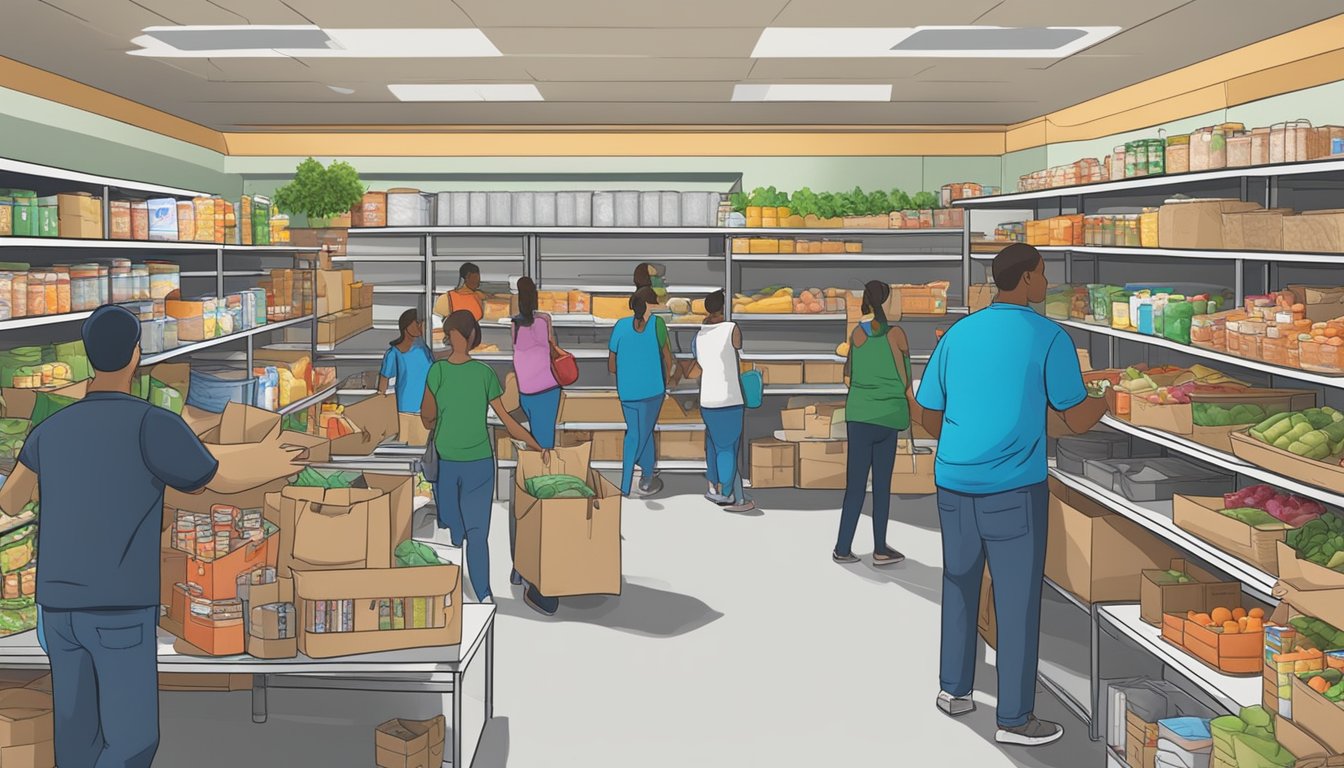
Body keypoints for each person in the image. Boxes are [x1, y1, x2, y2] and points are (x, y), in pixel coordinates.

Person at [0, 306, 256, 768]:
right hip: (116, 605)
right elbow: (206, 479)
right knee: (132, 741)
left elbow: (11, 500)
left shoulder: (50, 429)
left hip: (56, 610)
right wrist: (270, 460)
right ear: (137, 355)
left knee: (76, 739)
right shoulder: (151, 423)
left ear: (88, 356)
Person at [915, 243, 1113, 747]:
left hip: (954, 483)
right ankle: (1015, 719)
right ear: (1025, 280)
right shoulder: (1048, 336)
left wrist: (971, 442)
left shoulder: (958, 334)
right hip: (1015, 489)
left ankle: (954, 690)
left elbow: (928, 413)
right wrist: (1108, 399)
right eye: (1043, 274)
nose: (1047, 283)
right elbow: (1073, 417)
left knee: (959, 581)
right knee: (1016, 598)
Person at [422, 310, 543, 608]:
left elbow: (426, 418)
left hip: (448, 463)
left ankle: (451, 590)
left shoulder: (437, 372)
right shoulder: (485, 373)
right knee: (478, 533)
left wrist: (442, 417)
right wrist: (534, 444)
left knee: (453, 528)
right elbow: (507, 420)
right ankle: (483, 592)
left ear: (451, 338)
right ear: (473, 337)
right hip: (479, 463)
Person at [833, 281, 917, 567]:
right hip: (889, 417)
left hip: (859, 416)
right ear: (888, 302)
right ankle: (880, 549)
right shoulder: (898, 335)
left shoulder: (857, 334)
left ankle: (842, 548)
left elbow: (847, 378)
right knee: (882, 486)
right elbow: (906, 382)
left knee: (854, 485)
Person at [506, 277, 563, 615]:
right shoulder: (544, 321)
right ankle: (533, 563)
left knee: (530, 459)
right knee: (545, 459)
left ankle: (519, 566)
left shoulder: (514, 326)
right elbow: (553, 348)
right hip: (547, 390)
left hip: (526, 392)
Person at [608, 287, 679, 497]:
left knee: (639, 432)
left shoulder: (620, 325)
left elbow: (612, 366)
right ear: (650, 304)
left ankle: (645, 476)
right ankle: (627, 482)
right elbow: (668, 358)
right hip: (652, 391)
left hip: (627, 392)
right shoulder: (658, 324)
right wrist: (666, 380)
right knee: (639, 434)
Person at [688, 290, 754, 513]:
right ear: (724, 308)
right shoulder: (731, 329)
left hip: (708, 400)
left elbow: (696, 368)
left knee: (715, 446)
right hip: (729, 399)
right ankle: (727, 495)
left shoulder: (699, 336)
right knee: (727, 448)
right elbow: (739, 348)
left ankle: (716, 488)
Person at [379, 308, 434, 446]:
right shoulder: (393, 354)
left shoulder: (423, 349)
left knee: (421, 451)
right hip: (402, 412)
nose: (420, 326)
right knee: (403, 452)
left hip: (424, 412)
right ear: (406, 326)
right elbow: (383, 385)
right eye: (417, 323)